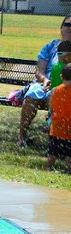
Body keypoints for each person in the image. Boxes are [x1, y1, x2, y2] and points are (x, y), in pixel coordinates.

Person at [18, 14, 71, 148]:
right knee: (31, 96)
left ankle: (54, 141)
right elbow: (39, 71)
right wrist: (45, 80)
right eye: (67, 25)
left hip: (67, 87)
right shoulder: (51, 46)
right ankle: (22, 137)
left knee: (57, 94)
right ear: (61, 28)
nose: (70, 28)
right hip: (46, 83)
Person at [47, 52, 71, 172]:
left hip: (56, 127)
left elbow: (51, 106)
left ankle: (50, 167)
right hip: (69, 127)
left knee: (53, 151)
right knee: (69, 153)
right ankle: (69, 169)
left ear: (61, 77)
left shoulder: (55, 90)